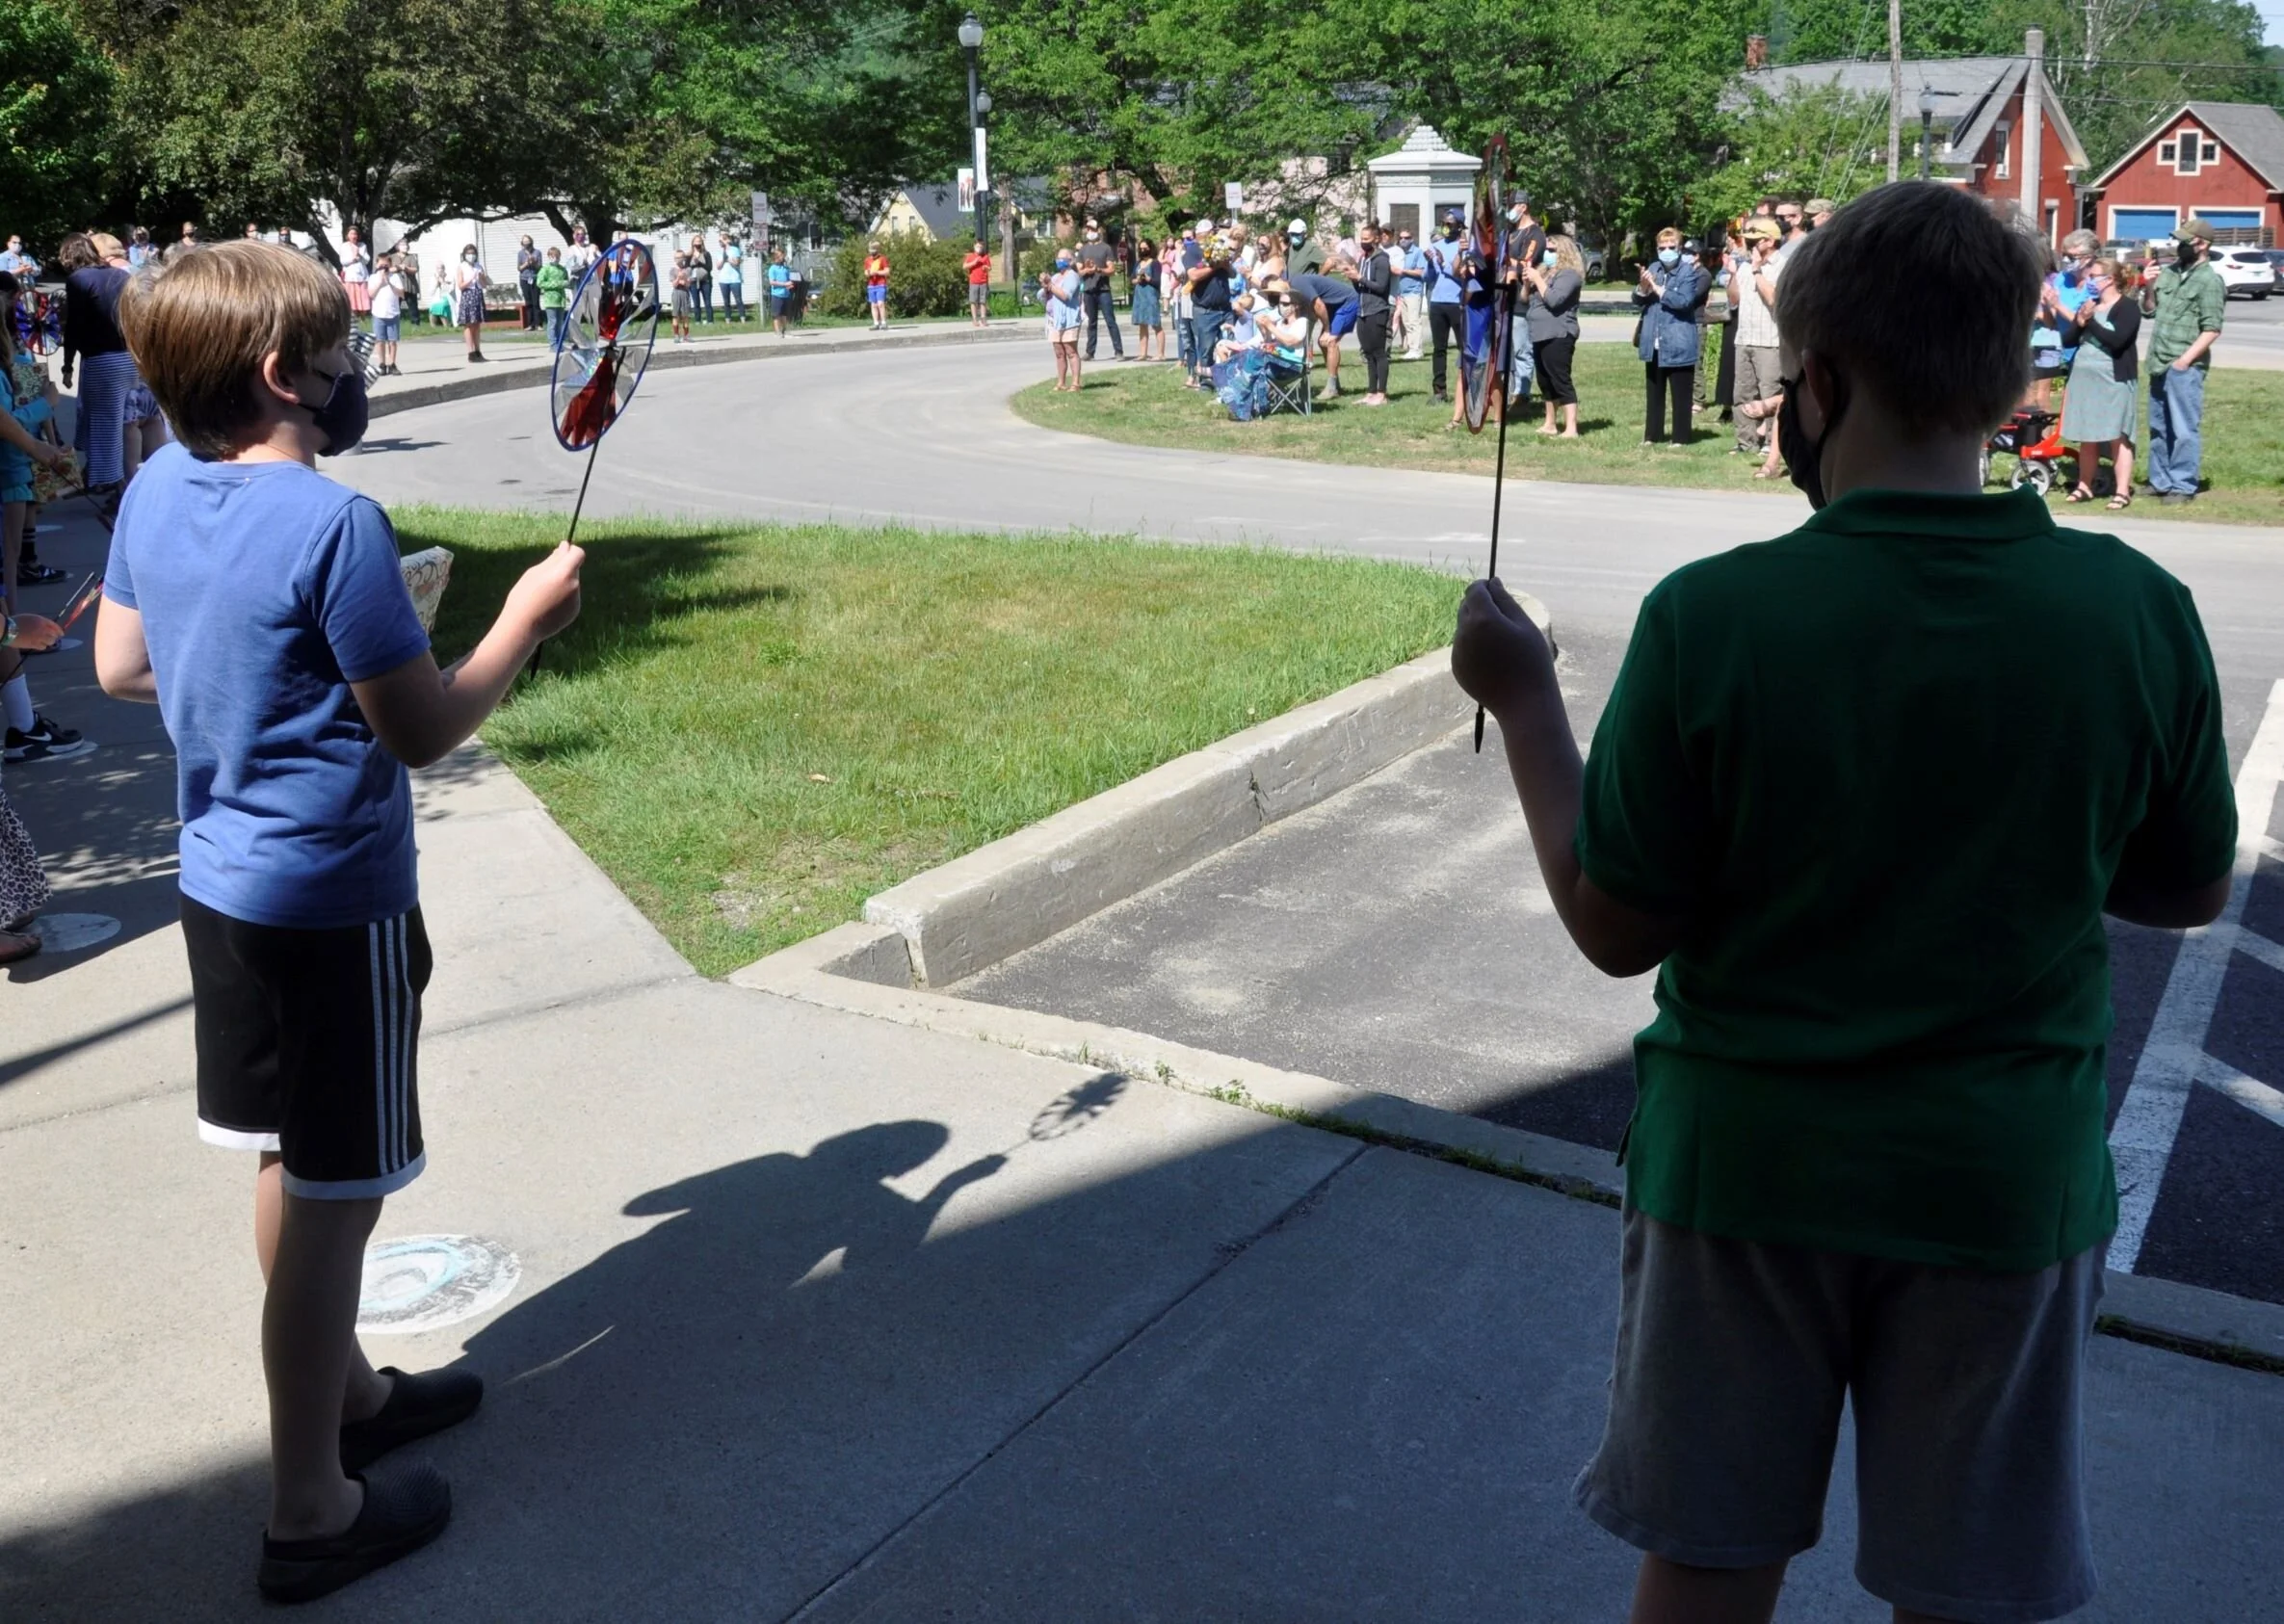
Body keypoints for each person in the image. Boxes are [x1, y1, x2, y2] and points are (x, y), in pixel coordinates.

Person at [1450, 177, 2235, 1624]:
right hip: (2001, 1183)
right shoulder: (2131, 610)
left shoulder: (1713, 616)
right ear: (2012, 385)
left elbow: (1614, 928)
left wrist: (1525, 702)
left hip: (1741, 1179)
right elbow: (2187, 884)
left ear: (1813, 383)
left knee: (1708, 1556)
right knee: (1968, 1585)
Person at [100, 238, 586, 1604]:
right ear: (282, 373)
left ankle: (350, 1395)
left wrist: (253, 682)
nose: (352, 369)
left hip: (218, 891)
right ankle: (311, 1507)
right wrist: (522, 621)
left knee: (287, 1160)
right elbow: (422, 728)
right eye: (338, 350)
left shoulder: (153, 484)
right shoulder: (334, 525)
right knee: (339, 1199)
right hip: (331, 903)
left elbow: (122, 664)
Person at [2143, 217, 2224, 506]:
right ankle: (2160, 481)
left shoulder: (2210, 281)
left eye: (2185, 242)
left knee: (2183, 429)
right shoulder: (2170, 273)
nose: (2179, 246)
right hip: (2158, 361)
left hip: (2184, 366)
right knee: (2159, 427)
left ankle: (2183, 484)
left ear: (2202, 244)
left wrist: (2184, 361)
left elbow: (2212, 328)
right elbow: (2149, 311)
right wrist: (2149, 285)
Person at [2061, 257, 2140, 511]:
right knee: (2088, 435)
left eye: (2094, 276)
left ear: (2110, 279)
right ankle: (2084, 486)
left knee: (2118, 435)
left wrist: (2092, 321)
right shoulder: (2090, 304)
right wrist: (2080, 322)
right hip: (2085, 379)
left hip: (2114, 379)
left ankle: (2122, 491)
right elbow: (2068, 340)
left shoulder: (2128, 307)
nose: (2090, 281)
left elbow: (2117, 341)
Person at [62, 232, 136, 491]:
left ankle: (116, 489)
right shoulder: (121, 276)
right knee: (122, 425)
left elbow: (74, 327)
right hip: (128, 360)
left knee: (104, 429)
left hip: (101, 362)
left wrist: (67, 365)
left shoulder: (78, 280)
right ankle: (112, 482)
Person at [1633, 227, 1704, 446]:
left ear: (1680, 248)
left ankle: (1680, 437)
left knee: (1681, 394)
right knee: (1654, 392)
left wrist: (1657, 288)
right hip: (1654, 339)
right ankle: (1652, 435)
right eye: (1662, 248)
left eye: (1671, 247)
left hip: (1678, 340)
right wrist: (1643, 287)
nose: (1666, 251)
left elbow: (1683, 302)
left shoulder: (1687, 271)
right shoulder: (1654, 268)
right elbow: (1638, 300)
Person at [1728, 218, 1784, 463]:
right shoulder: (1744, 267)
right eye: (1748, 241)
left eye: (1755, 241)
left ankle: (1771, 442)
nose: (1750, 245)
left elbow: (1773, 299)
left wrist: (1757, 270)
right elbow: (1734, 300)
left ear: (1770, 241)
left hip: (1769, 341)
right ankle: (1746, 441)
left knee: (1770, 394)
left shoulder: (1782, 266)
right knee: (1742, 393)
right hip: (1745, 338)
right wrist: (1733, 274)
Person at [1521, 234, 1584, 437]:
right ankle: (1550, 423)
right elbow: (1524, 300)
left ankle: (1571, 428)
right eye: (1546, 250)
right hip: (1539, 333)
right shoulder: (1544, 273)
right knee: (1545, 381)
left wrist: (1538, 279)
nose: (1547, 254)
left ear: (1564, 252)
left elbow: (1555, 300)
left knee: (1560, 379)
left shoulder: (1569, 275)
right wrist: (1527, 283)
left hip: (1558, 333)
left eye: (1552, 250)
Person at [1425, 210, 1467, 405]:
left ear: (1459, 226)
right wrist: (1430, 264)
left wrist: (1443, 264)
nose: (1445, 227)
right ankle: (1439, 391)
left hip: (1457, 302)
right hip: (1437, 302)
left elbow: (1462, 275)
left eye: (1449, 224)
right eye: (1443, 223)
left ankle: (1466, 387)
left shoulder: (1465, 247)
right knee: (1439, 348)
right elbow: (1428, 277)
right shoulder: (1436, 245)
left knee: (1463, 347)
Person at [1352, 222, 1394, 406]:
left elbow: (1381, 287)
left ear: (1376, 239)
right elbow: (1360, 287)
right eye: (1361, 238)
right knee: (1368, 353)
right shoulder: (1363, 259)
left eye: (1366, 239)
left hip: (1377, 310)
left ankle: (1381, 393)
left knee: (1379, 353)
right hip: (1362, 310)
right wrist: (1354, 278)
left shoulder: (1382, 260)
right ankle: (1371, 391)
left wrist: (1360, 278)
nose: (1363, 242)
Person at [1186, 231, 1234, 390]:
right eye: (1209, 232)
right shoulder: (1192, 252)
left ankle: (1230, 382)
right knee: (1206, 349)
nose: (1212, 234)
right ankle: (1206, 384)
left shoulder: (1220, 249)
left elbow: (1233, 273)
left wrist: (1225, 264)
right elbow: (1193, 275)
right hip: (1205, 311)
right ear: (1200, 234)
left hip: (1225, 309)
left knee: (1231, 346)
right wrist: (1215, 267)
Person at [1075, 224, 1124, 361]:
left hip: (1103, 290)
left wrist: (1098, 269)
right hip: (1088, 290)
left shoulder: (1106, 248)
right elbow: (1079, 271)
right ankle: (1090, 352)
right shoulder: (1083, 249)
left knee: (1110, 321)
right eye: (1088, 229)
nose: (1090, 231)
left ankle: (1119, 351)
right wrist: (1087, 269)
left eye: (1093, 229)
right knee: (1092, 322)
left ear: (1098, 231)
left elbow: (1111, 270)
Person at [1041, 249, 1083, 391]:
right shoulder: (1055, 277)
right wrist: (1046, 285)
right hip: (1054, 320)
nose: (1060, 261)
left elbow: (1065, 295)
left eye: (1063, 258)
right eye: (1058, 258)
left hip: (1069, 319)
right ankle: (1061, 382)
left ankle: (1075, 383)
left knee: (1071, 351)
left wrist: (1050, 286)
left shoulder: (1072, 276)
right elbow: (1041, 295)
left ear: (1071, 261)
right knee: (1059, 352)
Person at [1391, 225, 1428, 361]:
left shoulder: (1418, 252)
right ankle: (1411, 348)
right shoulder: (1398, 252)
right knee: (1406, 322)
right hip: (1401, 292)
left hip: (1413, 291)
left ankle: (1417, 350)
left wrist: (1403, 271)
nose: (1403, 240)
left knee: (1414, 321)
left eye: (1406, 238)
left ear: (1412, 239)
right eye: (1401, 238)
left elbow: (1421, 272)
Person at [367, 251, 404, 374]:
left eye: (386, 266)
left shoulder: (395, 277)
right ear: (377, 265)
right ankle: (382, 364)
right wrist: (380, 283)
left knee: (392, 341)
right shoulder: (373, 278)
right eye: (381, 265)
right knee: (380, 340)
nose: (383, 268)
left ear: (390, 265)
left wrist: (389, 283)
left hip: (393, 313)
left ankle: (392, 364)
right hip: (378, 313)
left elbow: (401, 294)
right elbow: (371, 294)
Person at [1128, 239, 1163, 358]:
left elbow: (1158, 281)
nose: (1143, 250)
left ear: (1150, 248)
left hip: (1151, 296)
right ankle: (1143, 353)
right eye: (1141, 248)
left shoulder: (1155, 263)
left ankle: (1160, 353)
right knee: (1142, 325)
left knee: (1156, 324)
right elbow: (1131, 279)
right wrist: (1137, 280)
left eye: (1145, 248)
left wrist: (1148, 279)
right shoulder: (1138, 263)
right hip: (1139, 296)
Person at [453, 245, 487, 362]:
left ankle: (478, 351)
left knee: (477, 324)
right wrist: (471, 278)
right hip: (468, 295)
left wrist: (482, 278)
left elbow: (484, 285)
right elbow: (460, 285)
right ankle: (470, 352)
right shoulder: (461, 267)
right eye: (468, 253)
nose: (471, 256)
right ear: (464, 255)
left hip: (477, 294)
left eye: (473, 253)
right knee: (469, 324)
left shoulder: (479, 266)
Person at [537, 246, 570, 351]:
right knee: (553, 322)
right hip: (550, 300)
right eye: (552, 256)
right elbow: (540, 283)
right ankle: (553, 344)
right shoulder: (545, 269)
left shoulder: (562, 269)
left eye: (557, 256)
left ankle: (559, 343)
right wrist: (558, 284)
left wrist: (569, 282)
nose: (555, 259)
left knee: (559, 323)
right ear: (549, 257)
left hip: (561, 300)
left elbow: (567, 282)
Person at [962, 240, 992, 328]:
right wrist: (974, 262)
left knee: (983, 301)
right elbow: (964, 266)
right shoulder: (971, 256)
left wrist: (986, 267)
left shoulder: (985, 257)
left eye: (981, 247)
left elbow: (989, 268)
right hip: (974, 282)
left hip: (983, 281)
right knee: (973, 301)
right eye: (978, 246)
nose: (979, 248)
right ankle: (974, 319)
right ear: (974, 246)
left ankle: (983, 318)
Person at [514, 235, 541, 331]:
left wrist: (533, 261)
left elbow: (539, 267)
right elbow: (519, 268)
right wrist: (526, 263)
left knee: (536, 302)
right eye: (524, 242)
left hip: (535, 278)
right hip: (524, 279)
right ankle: (530, 324)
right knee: (528, 302)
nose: (526, 244)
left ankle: (538, 324)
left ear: (531, 242)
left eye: (528, 242)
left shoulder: (537, 252)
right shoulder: (520, 253)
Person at [863, 242, 890, 330]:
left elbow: (887, 271)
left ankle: (884, 322)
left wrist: (877, 272)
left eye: (874, 250)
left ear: (877, 250)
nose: (872, 252)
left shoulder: (883, 259)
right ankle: (876, 323)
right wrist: (868, 273)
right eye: (871, 250)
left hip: (881, 284)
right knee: (873, 304)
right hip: (871, 285)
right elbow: (866, 272)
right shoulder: (867, 260)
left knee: (880, 303)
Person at [718, 238, 746, 322]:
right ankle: (728, 319)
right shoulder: (720, 252)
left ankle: (742, 318)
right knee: (726, 301)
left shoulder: (735, 250)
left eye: (721, 240)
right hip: (723, 279)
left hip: (734, 279)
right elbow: (718, 267)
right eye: (719, 241)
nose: (720, 242)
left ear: (727, 240)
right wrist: (723, 259)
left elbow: (737, 263)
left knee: (738, 300)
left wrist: (728, 259)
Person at [686, 234, 713, 325]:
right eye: (695, 242)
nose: (697, 244)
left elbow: (709, 267)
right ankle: (697, 320)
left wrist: (700, 259)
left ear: (702, 243)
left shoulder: (706, 254)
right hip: (693, 281)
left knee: (707, 302)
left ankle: (710, 320)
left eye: (699, 242)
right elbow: (687, 268)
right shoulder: (689, 255)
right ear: (692, 244)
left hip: (706, 281)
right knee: (696, 302)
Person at [766, 249, 792, 336]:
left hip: (786, 294)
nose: (782, 257)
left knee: (784, 314)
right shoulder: (772, 268)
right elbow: (772, 282)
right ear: (776, 257)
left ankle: (785, 329)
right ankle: (777, 331)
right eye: (780, 255)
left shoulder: (785, 268)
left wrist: (790, 284)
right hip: (777, 294)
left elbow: (788, 279)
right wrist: (784, 284)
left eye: (782, 255)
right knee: (777, 314)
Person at [669, 251, 693, 342]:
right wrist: (678, 278)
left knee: (685, 315)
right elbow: (674, 285)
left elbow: (688, 284)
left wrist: (685, 278)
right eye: (676, 258)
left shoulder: (688, 270)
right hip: (676, 293)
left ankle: (686, 335)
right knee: (675, 315)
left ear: (684, 259)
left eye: (680, 258)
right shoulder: (672, 270)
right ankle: (676, 335)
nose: (678, 260)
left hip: (685, 293)